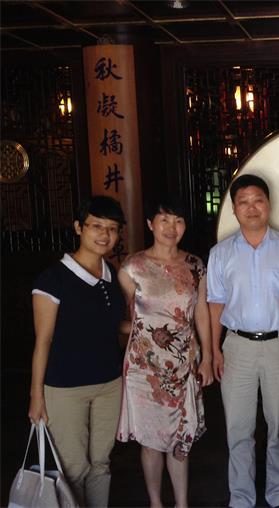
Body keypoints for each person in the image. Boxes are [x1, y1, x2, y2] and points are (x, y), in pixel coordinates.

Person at [207, 174, 279, 508]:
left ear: (268, 204)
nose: (251, 208)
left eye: (258, 200)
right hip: (236, 347)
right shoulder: (220, 253)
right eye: (244, 202)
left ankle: (278, 493)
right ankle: (241, 497)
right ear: (234, 209)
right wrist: (214, 351)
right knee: (238, 428)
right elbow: (215, 305)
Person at [28, 195, 126, 507]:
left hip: (110, 384)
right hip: (65, 388)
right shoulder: (52, 279)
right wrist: (36, 395)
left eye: (112, 228)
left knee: (101, 464)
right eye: (96, 226)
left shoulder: (111, 274)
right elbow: (43, 341)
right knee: (73, 468)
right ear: (78, 228)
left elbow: (113, 326)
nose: (105, 234)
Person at [117, 197, 213, 508]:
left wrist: (208, 357)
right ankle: (156, 502)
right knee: (150, 442)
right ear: (150, 224)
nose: (172, 228)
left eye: (178, 221)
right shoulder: (132, 268)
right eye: (164, 220)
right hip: (144, 368)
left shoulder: (196, 265)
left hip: (183, 363)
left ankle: (181, 504)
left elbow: (202, 314)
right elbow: (126, 317)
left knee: (180, 439)